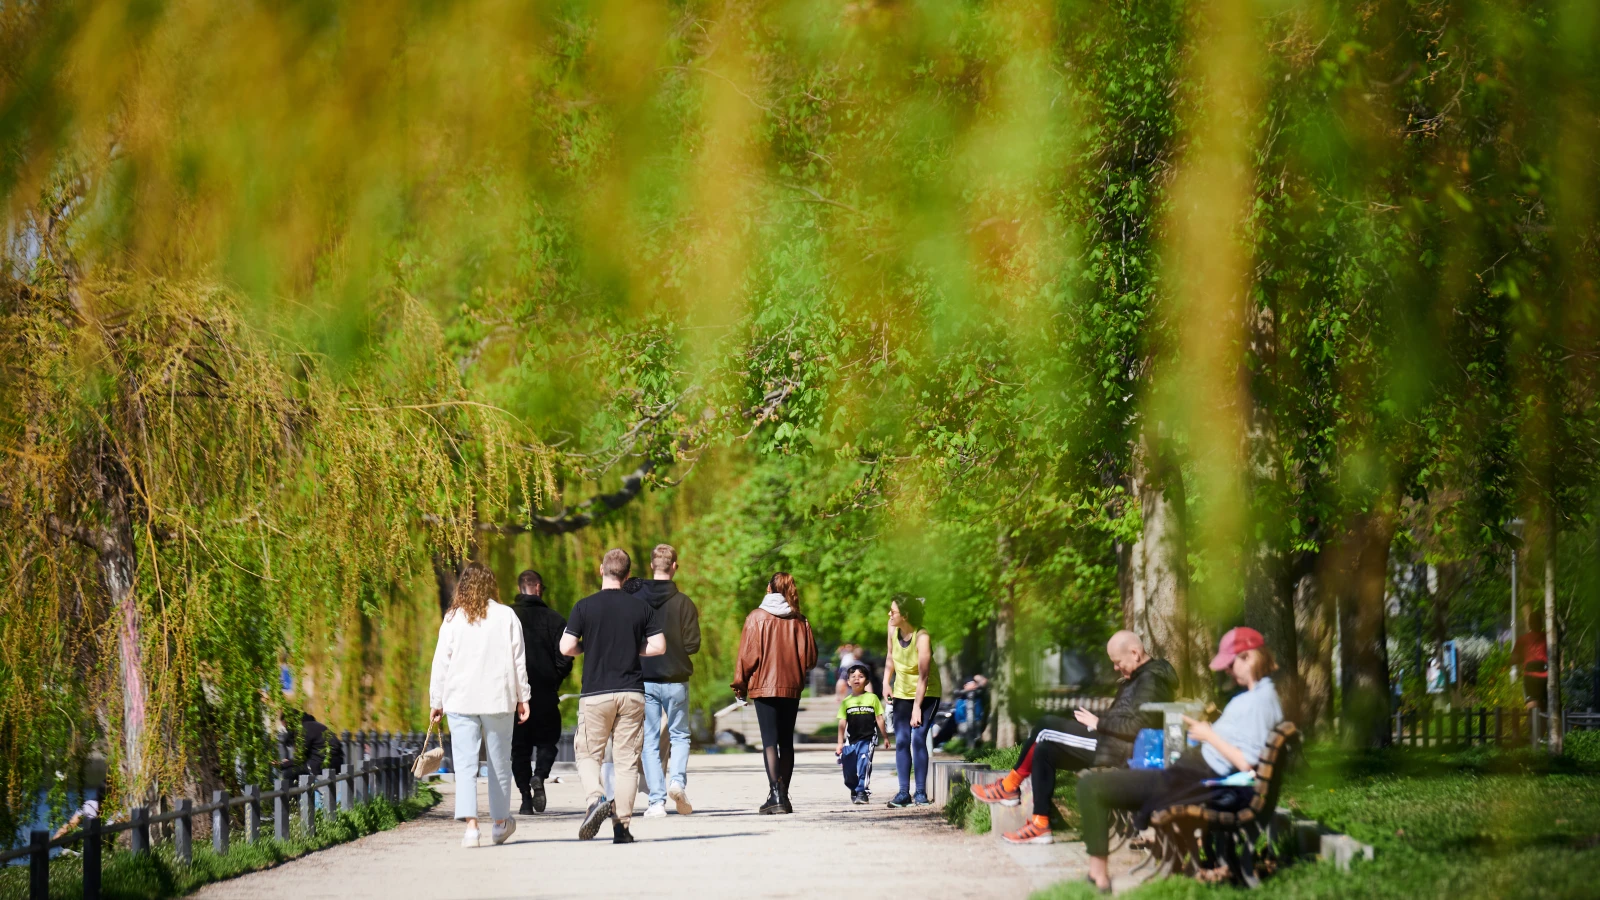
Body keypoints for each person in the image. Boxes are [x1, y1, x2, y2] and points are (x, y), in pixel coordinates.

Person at [1076, 627, 1284, 891]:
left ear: (1249, 657)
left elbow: (1247, 763)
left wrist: (1209, 735)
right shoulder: (1259, 697)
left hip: (1193, 780)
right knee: (1098, 784)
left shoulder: (1259, 702)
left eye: (1231, 665)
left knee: (1091, 787)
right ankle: (1098, 876)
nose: (1228, 671)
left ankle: (1098, 877)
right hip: (1190, 773)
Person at [974, 631, 1177, 845]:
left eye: (1117, 662)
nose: (1116, 668)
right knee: (1045, 749)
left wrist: (1098, 723)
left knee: (1046, 726)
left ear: (1135, 653)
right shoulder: (1139, 677)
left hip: (1119, 750)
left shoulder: (1151, 681)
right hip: (1111, 743)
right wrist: (1095, 721)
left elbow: (1139, 726)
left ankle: (1009, 787)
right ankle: (1040, 823)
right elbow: (1127, 716)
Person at [560, 548, 667, 844]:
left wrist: (588, 648)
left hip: (595, 693)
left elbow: (566, 647)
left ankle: (595, 799)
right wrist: (635, 649)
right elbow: (659, 646)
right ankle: (622, 827)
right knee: (626, 763)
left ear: (601, 570)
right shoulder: (640, 608)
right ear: (628, 575)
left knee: (587, 754)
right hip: (631, 692)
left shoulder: (584, 607)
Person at [429, 562, 532, 848]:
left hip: (460, 699)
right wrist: (524, 697)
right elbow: (518, 661)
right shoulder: (507, 616)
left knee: (465, 764)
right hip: (498, 697)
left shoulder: (452, 619)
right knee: (500, 762)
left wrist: (436, 701)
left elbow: (441, 664)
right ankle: (499, 824)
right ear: (491, 585)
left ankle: (471, 829)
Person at [732, 572, 818, 815]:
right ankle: (783, 797)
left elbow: (747, 658)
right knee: (786, 742)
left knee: (769, 742)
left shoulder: (756, 617)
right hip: (791, 687)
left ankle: (776, 795)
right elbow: (810, 658)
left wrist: (740, 685)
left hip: (764, 687)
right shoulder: (800, 620)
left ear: (769, 588)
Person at [637, 543, 701, 818]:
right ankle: (677, 782)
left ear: (652, 565)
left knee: (650, 740)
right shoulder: (684, 603)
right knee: (680, 735)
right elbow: (693, 645)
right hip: (676, 677)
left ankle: (656, 802)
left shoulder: (636, 600)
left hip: (645, 677)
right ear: (674, 567)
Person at [510, 569, 573, 815]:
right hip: (545, 692)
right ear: (537, 588)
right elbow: (566, 656)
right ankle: (540, 775)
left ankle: (525, 798)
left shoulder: (508, 617)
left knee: (519, 749)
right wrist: (554, 678)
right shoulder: (555, 620)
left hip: (514, 697)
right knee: (548, 742)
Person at [883, 593, 940, 808]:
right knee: (902, 740)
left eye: (893, 611)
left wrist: (917, 707)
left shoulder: (922, 637)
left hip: (927, 693)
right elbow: (890, 657)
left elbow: (924, 676)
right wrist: (886, 683)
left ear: (905, 615)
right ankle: (903, 793)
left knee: (918, 738)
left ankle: (921, 793)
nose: (889, 614)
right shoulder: (892, 630)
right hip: (902, 692)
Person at [835, 662, 888, 804]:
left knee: (864, 764)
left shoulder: (873, 698)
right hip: (850, 740)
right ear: (848, 681)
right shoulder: (846, 702)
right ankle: (853, 787)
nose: (857, 679)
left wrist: (885, 737)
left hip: (868, 739)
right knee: (849, 770)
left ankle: (862, 791)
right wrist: (840, 743)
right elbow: (841, 723)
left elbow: (879, 718)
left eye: (861, 676)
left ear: (867, 681)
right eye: (853, 676)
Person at [278, 707, 346, 781]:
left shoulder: (303, 730)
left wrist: (282, 765)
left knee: (288, 773)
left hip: (323, 765)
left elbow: (300, 759)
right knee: (297, 769)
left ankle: (297, 792)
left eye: (286, 726)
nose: (287, 730)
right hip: (336, 762)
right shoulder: (313, 724)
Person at [1515, 610, 1549, 712]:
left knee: (1532, 709)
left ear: (1529, 624)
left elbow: (1514, 659)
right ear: (1541, 623)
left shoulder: (1522, 640)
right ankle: (1543, 726)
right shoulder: (1548, 638)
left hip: (1530, 678)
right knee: (1544, 710)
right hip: (1545, 677)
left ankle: (1532, 726)